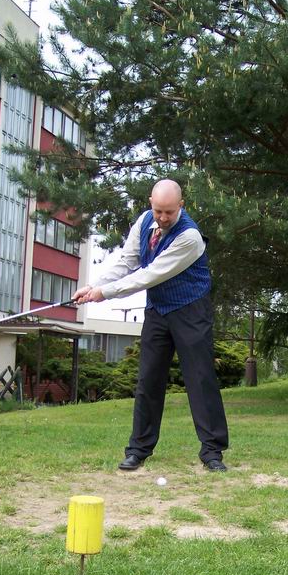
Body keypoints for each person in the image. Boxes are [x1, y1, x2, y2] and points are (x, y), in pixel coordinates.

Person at [73, 179, 229, 472]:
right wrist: (94, 285)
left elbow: (149, 275)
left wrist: (104, 293)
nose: (163, 217)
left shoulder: (190, 237)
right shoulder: (145, 221)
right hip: (157, 310)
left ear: (181, 206)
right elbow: (127, 261)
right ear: (150, 204)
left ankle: (212, 452)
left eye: (169, 212)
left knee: (200, 379)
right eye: (159, 211)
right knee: (148, 380)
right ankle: (138, 450)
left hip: (190, 310)